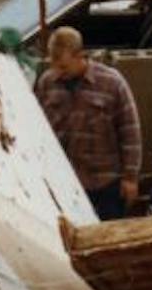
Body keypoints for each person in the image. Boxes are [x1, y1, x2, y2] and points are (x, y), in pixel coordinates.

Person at [36, 27, 141, 221]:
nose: (59, 73)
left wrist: (130, 178)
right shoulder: (46, 83)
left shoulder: (112, 83)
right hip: (66, 183)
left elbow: (130, 132)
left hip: (106, 184)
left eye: (64, 67)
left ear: (80, 56)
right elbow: (38, 131)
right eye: (55, 66)